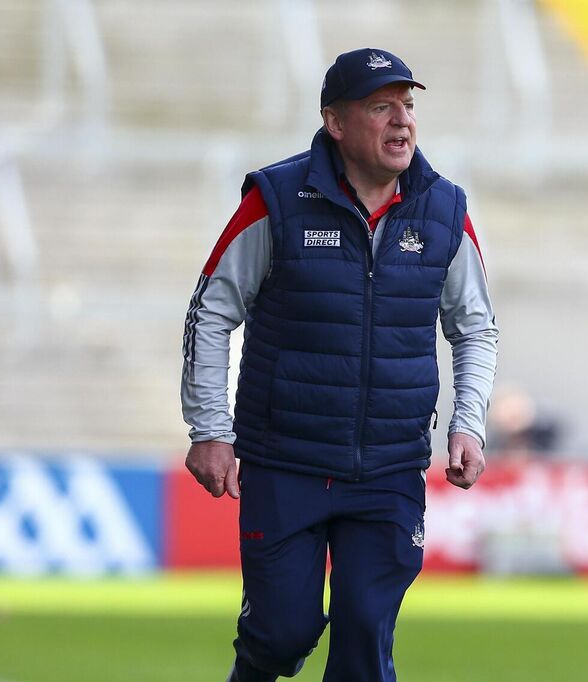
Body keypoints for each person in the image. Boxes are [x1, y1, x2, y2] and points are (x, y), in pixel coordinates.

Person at [180, 47, 498, 682]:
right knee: (279, 635)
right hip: (286, 461)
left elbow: (475, 327)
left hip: (389, 468)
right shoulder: (275, 199)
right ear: (336, 123)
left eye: (408, 106)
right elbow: (212, 310)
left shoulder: (446, 210)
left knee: (364, 642)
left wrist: (469, 422)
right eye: (381, 107)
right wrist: (209, 429)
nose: (402, 121)